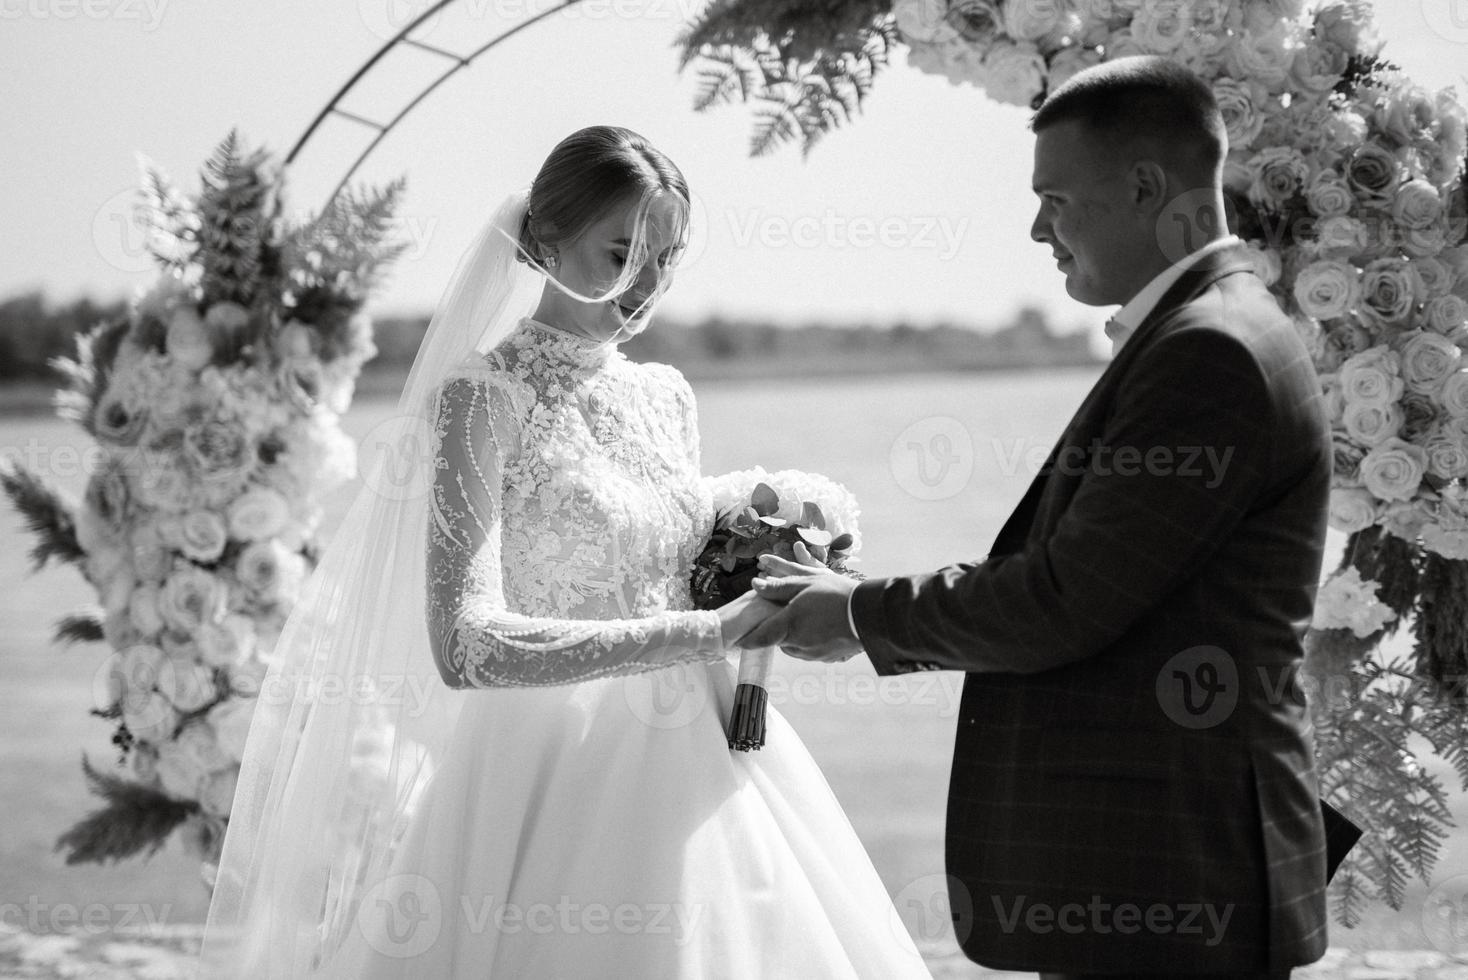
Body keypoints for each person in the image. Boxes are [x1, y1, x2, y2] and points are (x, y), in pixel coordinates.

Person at [196, 125, 933, 978]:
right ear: (544, 242)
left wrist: (765, 563)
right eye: (623, 251)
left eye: (669, 256)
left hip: (703, 753)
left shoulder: (665, 394)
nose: (648, 284)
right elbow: (466, 647)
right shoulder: (482, 398)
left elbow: (665, 574)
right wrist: (713, 631)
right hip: (544, 772)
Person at [747, 57, 1334, 978]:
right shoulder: (1221, 323)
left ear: (1144, 187)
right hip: (1172, 865)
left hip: (1169, 872)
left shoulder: (1209, 351)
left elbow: (1064, 598)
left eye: (1056, 199)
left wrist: (861, 613)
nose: (1037, 229)